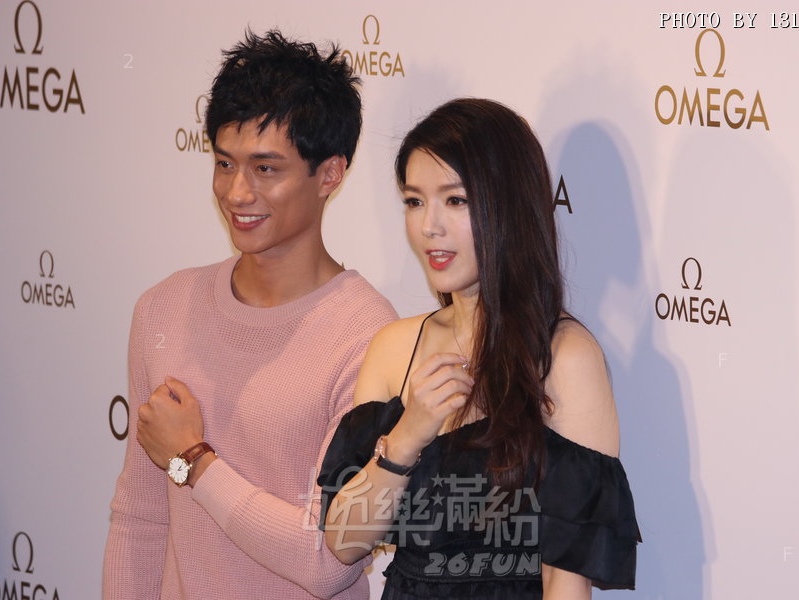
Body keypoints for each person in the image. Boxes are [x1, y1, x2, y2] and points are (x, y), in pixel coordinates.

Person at [103, 30, 397, 599]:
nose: (237, 192)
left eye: (265, 169)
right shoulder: (164, 309)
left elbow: (329, 560)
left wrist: (193, 461)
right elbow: (140, 517)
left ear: (330, 174)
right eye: (224, 163)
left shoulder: (369, 337)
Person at [318, 98, 641, 599]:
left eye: (456, 200)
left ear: (508, 206)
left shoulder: (564, 358)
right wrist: (407, 436)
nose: (430, 226)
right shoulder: (395, 346)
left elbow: (565, 578)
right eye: (414, 201)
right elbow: (345, 542)